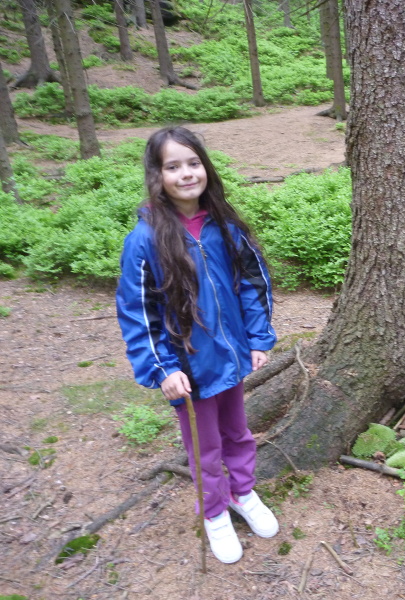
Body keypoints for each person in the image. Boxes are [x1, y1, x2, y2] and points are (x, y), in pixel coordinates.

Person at [116, 126, 279, 564]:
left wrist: (258, 338)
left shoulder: (226, 225)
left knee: (238, 433)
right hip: (188, 369)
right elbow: (138, 313)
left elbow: (253, 284)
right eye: (173, 166)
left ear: (205, 167)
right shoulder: (145, 240)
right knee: (203, 446)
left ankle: (243, 492)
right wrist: (163, 368)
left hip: (232, 356)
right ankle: (214, 511)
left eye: (193, 163)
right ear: (158, 175)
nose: (186, 174)